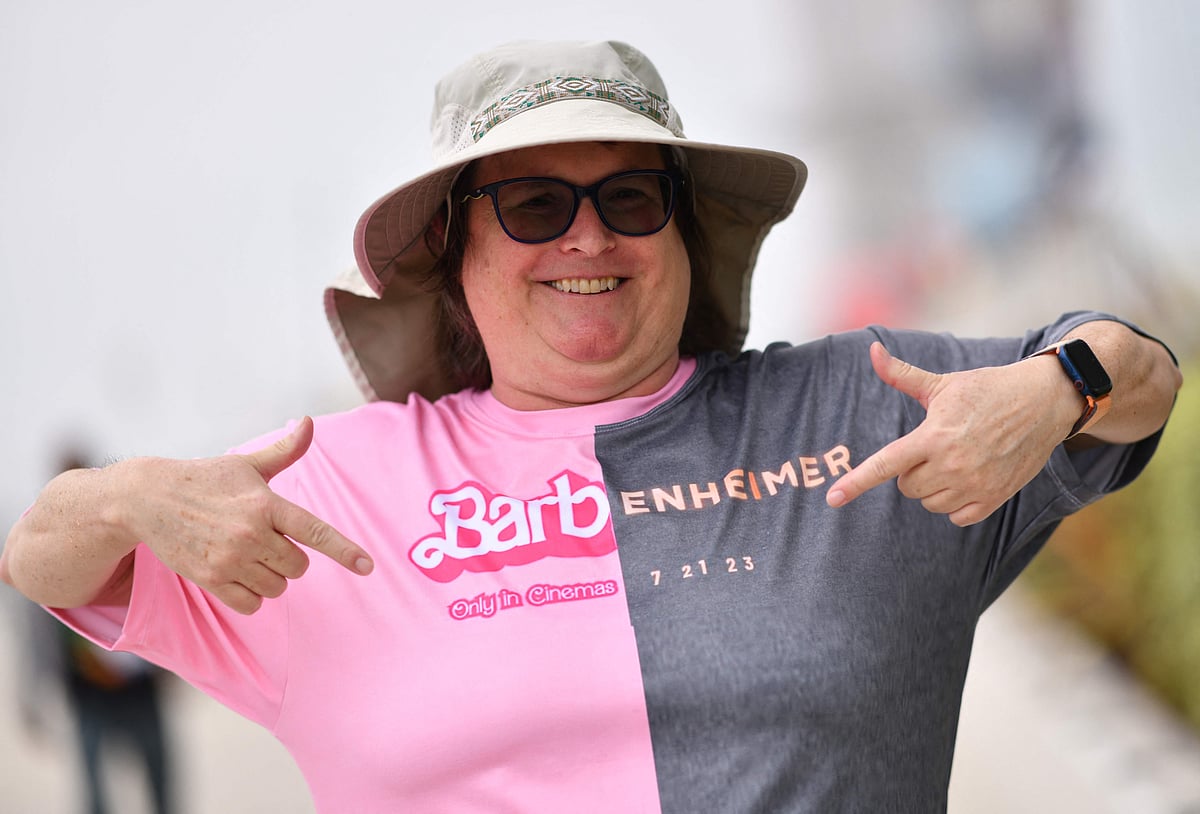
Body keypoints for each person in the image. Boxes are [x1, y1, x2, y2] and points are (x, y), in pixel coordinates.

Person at [0, 39, 1183, 813]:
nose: (588, 238)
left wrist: (1060, 381)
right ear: (454, 254)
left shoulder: (868, 402)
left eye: (629, 197)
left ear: (683, 233)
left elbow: (1145, 380)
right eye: (532, 204)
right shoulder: (326, 486)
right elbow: (41, 556)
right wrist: (122, 495)